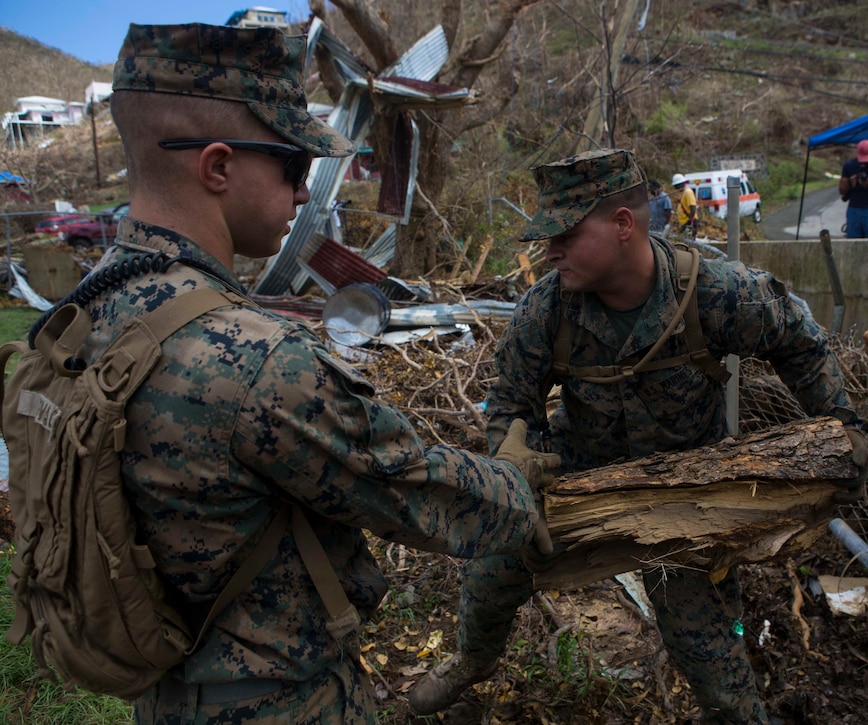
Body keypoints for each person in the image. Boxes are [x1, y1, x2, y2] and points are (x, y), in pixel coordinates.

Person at [96, 22, 553, 724]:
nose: (306, 190)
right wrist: (515, 480)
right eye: (292, 166)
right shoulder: (253, 360)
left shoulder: (79, 317)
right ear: (217, 167)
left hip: (161, 693)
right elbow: (408, 486)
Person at [409, 148, 868, 723]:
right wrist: (512, 453)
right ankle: (470, 660)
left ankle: (737, 709)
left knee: (709, 645)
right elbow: (511, 400)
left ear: (623, 225)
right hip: (582, 474)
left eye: (565, 235)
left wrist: (840, 428)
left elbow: (799, 339)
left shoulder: (713, 292)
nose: (548, 251)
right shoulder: (546, 309)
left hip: (688, 491)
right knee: (491, 564)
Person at [672, 172, 699, 237]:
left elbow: (693, 207)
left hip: (688, 222)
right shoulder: (683, 192)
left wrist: (690, 222)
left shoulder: (688, 192)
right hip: (684, 222)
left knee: (688, 241)